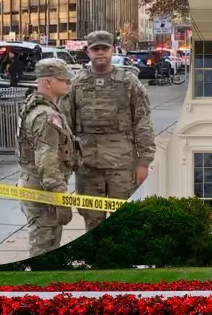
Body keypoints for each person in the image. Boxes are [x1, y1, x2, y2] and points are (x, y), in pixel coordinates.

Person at [61, 30, 157, 231]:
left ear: (112, 50)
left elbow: (143, 122)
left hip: (121, 166)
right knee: (92, 221)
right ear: (88, 52)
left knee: (125, 222)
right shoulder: (77, 84)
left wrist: (144, 161)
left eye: (104, 48)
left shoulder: (128, 82)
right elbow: (65, 126)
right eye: (95, 49)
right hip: (87, 167)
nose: (100, 53)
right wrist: (64, 164)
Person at [15, 58, 78, 256]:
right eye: (63, 79)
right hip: (42, 191)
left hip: (31, 183)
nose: (68, 83)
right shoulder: (46, 116)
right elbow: (47, 162)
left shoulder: (33, 107)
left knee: (45, 243)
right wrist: (60, 199)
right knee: (45, 246)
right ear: (48, 82)